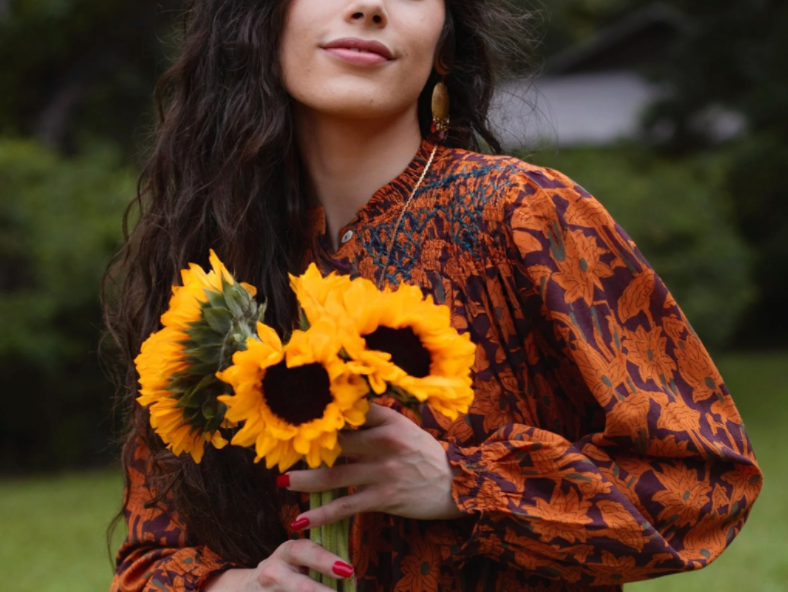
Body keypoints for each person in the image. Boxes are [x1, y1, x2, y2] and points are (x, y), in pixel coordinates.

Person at [104, 1, 763, 591]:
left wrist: (464, 486)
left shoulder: (523, 215)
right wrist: (243, 586)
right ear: (259, 23)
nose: (369, 7)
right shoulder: (217, 263)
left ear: (445, 47)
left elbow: (706, 484)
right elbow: (149, 557)